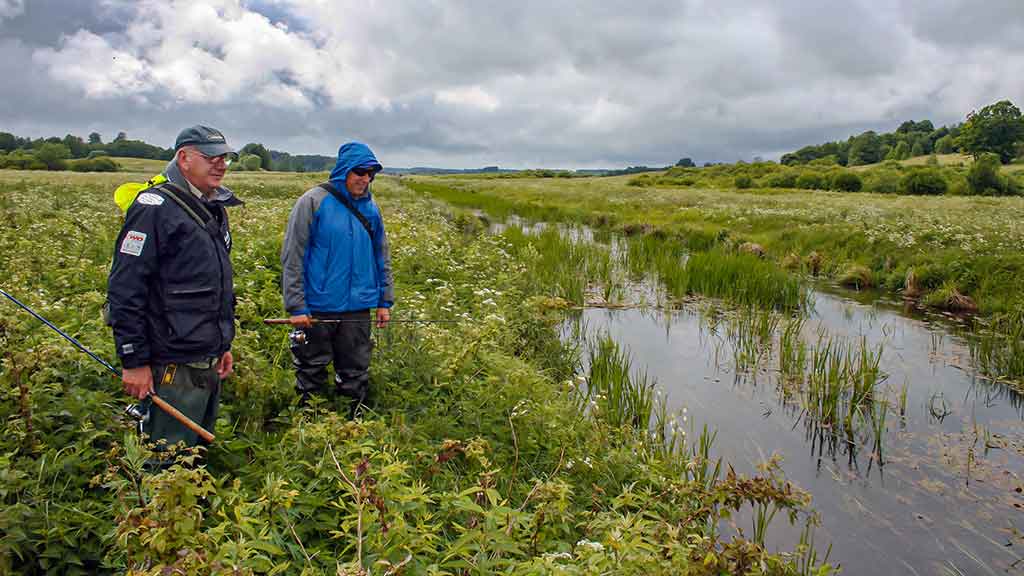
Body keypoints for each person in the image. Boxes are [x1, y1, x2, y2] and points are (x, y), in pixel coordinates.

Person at [107, 125, 241, 449]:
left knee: (193, 459)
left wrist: (221, 345)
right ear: (183, 158)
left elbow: (211, 289)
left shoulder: (212, 206)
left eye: (224, 157)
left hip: (204, 357)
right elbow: (126, 289)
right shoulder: (153, 208)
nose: (221, 165)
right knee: (166, 461)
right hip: (171, 363)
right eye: (211, 157)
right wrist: (134, 362)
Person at [281, 141, 393, 415]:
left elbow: (381, 254)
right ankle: (310, 424)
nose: (365, 179)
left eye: (371, 174)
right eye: (360, 172)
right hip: (318, 306)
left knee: (355, 369)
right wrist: (297, 306)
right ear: (344, 171)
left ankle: (352, 421)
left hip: (358, 308)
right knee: (311, 370)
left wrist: (384, 301)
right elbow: (293, 256)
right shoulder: (312, 201)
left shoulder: (371, 209)